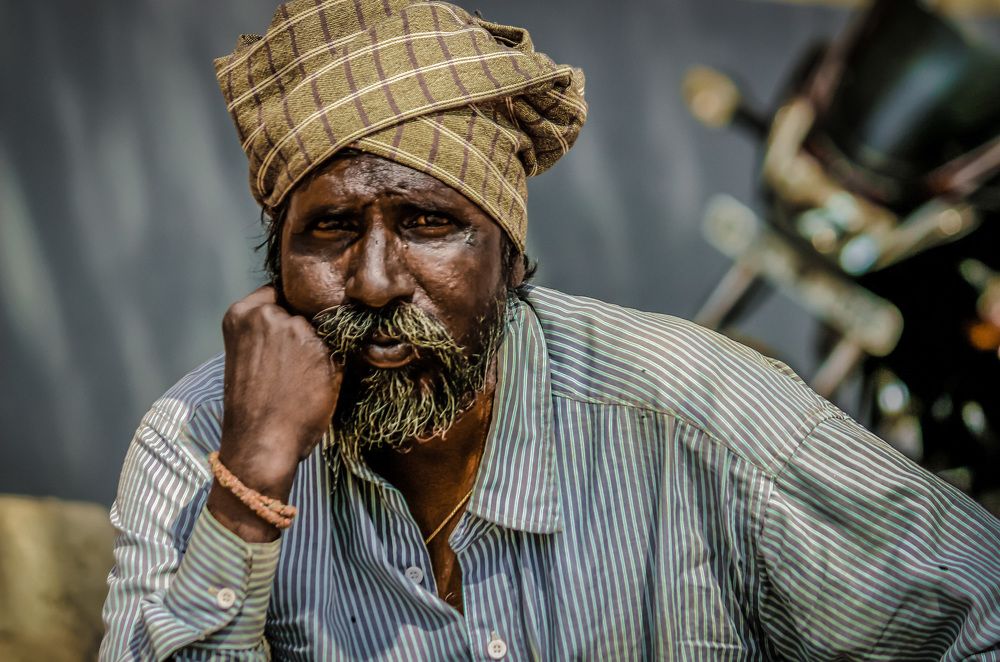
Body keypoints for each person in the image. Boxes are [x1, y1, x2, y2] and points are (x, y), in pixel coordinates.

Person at [101, 0, 1000, 659]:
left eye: (427, 224)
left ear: (513, 259)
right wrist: (249, 493)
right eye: (330, 230)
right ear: (275, 268)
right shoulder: (193, 449)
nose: (374, 283)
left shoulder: (695, 413)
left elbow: (978, 613)